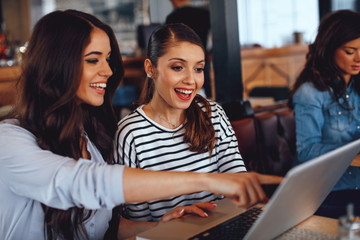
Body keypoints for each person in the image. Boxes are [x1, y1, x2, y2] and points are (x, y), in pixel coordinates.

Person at [0, 10, 283, 240]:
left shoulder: (87, 139)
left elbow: (109, 230)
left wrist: (162, 225)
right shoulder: (9, 140)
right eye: (93, 60)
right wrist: (207, 179)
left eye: (108, 59)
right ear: (55, 64)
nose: (109, 71)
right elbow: (82, 183)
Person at [115, 23, 270, 223]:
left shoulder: (213, 114)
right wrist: (169, 221)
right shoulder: (131, 133)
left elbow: (236, 181)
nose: (191, 80)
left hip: (222, 225)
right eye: (178, 67)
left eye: (198, 69)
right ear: (150, 69)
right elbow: (135, 221)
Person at [288, 9, 360, 219]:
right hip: (326, 193)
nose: (358, 58)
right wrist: (353, 154)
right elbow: (307, 150)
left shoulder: (356, 85)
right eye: (350, 51)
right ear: (329, 49)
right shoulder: (310, 92)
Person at [166, 0, 212, 98]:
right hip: (201, 58)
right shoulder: (204, 14)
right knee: (204, 94)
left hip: (181, 61)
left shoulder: (172, 17)